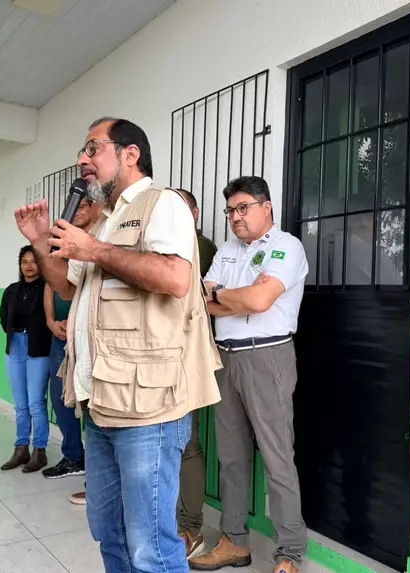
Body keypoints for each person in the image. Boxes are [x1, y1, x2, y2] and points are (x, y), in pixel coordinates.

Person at [14, 117, 221, 573]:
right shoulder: (105, 222)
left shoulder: (162, 203)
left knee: (151, 546)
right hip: (101, 399)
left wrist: (93, 250)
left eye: (93, 148)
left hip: (148, 407)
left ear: (130, 154)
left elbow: (175, 277)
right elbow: (67, 287)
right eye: (82, 151)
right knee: (109, 531)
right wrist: (40, 241)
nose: (82, 159)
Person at [190, 176, 308, 573]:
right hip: (225, 357)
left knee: (277, 458)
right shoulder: (226, 250)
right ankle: (234, 542)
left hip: (267, 356)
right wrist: (236, 298)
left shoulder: (286, 247)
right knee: (231, 458)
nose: (235, 217)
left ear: (266, 207)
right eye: (230, 211)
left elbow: (259, 300)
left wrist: (225, 295)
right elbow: (201, 302)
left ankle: (289, 552)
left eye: (243, 208)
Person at [41, 198, 103, 482]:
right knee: (60, 396)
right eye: (73, 204)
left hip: (89, 333)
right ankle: (73, 456)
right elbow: (51, 285)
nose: (76, 208)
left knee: (93, 399)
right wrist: (50, 321)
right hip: (60, 335)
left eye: (83, 204)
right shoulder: (62, 241)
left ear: (96, 208)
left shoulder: (100, 239)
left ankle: (97, 467)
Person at [175, 188, 217, 559]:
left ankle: (190, 528)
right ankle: (173, 522)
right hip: (158, 356)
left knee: (187, 443)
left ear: (196, 214)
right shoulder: (162, 244)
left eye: (181, 208)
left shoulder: (199, 247)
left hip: (187, 356)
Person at [0, 245, 53, 473]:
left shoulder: (48, 288)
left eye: (33, 261)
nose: (29, 266)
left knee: (35, 403)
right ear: (20, 265)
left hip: (38, 347)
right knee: (20, 404)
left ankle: (39, 450)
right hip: (15, 347)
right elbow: (3, 317)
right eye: (24, 262)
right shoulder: (12, 290)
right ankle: (21, 449)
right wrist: (15, 334)